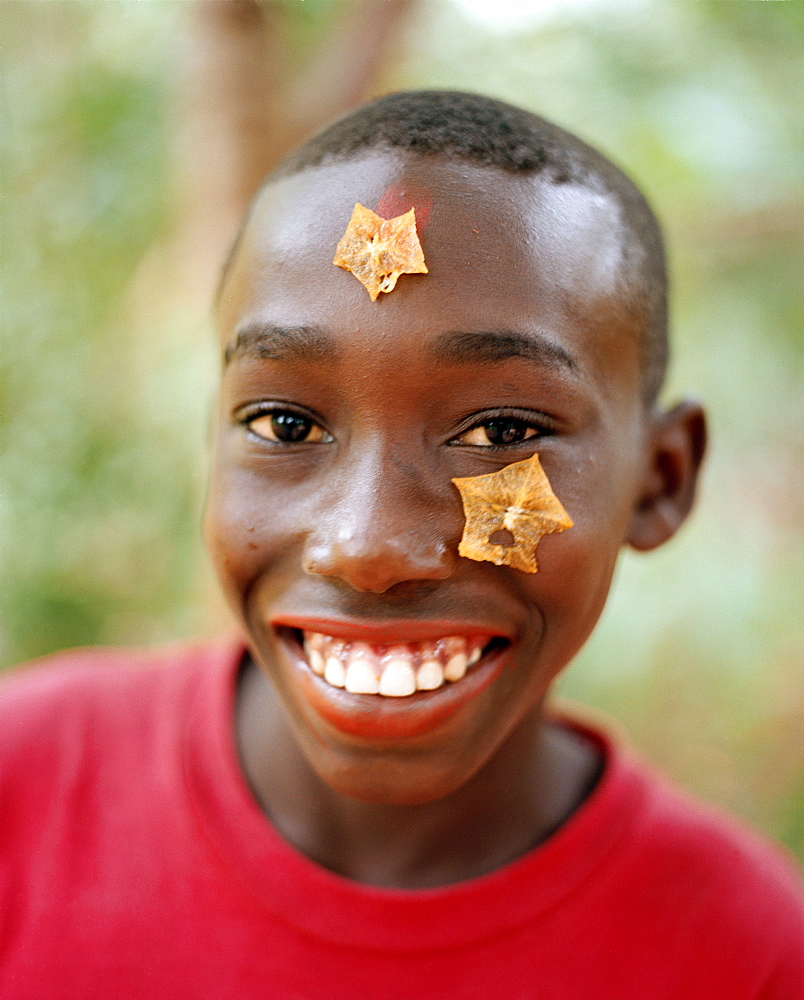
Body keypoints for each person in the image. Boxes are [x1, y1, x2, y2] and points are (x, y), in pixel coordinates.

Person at [1, 91, 800, 999]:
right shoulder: (18, 787)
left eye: (502, 430)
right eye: (284, 421)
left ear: (658, 481)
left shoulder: (749, 956)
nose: (366, 548)